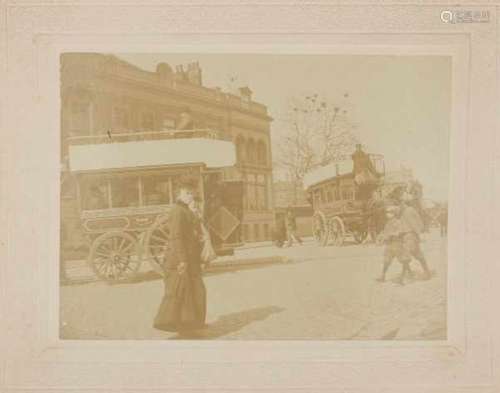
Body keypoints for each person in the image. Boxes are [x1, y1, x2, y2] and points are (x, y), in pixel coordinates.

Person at [153, 180, 207, 337]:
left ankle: (193, 324)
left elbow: (195, 231)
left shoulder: (186, 210)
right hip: (178, 260)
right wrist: (182, 260)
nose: (190, 196)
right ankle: (183, 329)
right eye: (187, 193)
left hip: (190, 259)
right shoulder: (177, 211)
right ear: (179, 194)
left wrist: (196, 214)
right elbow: (176, 237)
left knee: (196, 291)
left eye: (192, 193)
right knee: (181, 294)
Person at [376, 205, 414, 285]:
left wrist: (391, 234)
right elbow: (384, 232)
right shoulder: (388, 223)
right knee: (386, 261)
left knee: (404, 261)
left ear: (394, 214)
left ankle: (403, 277)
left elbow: (400, 232)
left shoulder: (398, 222)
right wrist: (380, 237)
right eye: (387, 212)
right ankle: (383, 276)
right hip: (389, 244)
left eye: (389, 212)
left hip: (397, 244)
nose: (387, 214)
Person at [399, 197, 432, 280]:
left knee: (406, 256)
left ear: (405, 203)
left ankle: (403, 277)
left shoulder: (408, 210)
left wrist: (419, 234)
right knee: (418, 254)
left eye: (401, 202)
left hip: (410, 236)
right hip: (408, 236)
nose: (400, 204)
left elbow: (413, 223)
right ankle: (427, 272)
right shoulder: (405, 211)